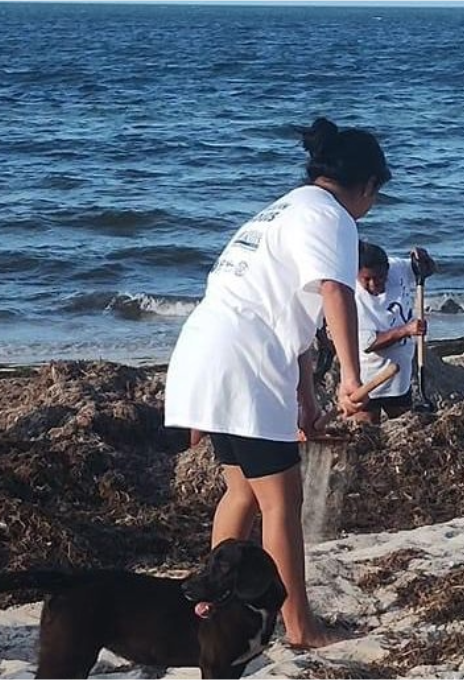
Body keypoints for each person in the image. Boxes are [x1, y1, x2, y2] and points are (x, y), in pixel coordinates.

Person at [165, 116, 391, 648]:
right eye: (377, 194)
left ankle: (213, 610)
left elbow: (297, 326)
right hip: (244, 360)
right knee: (280, 503)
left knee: (241, 490)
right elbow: (334, 291)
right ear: (367, 186)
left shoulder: (285, 208)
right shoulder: (331, 216)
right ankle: (299, 627)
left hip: (206, 350)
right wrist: (352, 379)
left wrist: (307, 404)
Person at [353, 240, 436, 424]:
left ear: (387, 270)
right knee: (365, 433)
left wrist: (423, 259)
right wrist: (406, 330)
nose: (374, 283)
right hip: (368, 378)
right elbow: (369, 344)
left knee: (403, 430)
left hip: (400, 377)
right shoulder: (353, 297)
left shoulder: (397, 269)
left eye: (380, 277)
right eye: (367, 279)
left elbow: (426, 270)